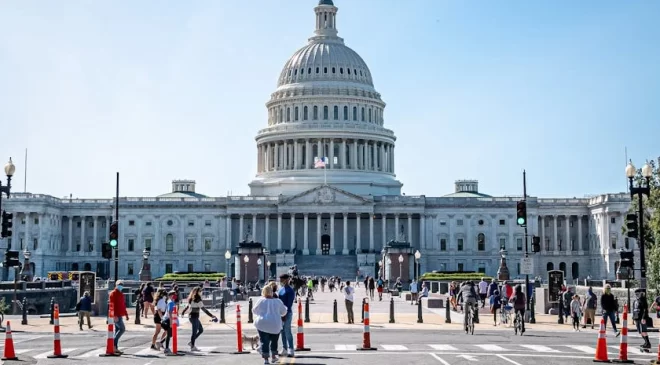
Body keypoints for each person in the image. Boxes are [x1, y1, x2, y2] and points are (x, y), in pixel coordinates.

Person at [253, 285, 288, 365]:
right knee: (274, 341)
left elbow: (254, 310)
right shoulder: (278, 301)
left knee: (264, 341)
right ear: (272, 292)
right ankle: (273, 356)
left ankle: (266, 359)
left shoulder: (261, 300)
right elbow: (283, 312)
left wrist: (261, 313)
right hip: (275, 324)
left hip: (262, 323)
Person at [181, 287, 217, 351]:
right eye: (200, 291)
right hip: (194, 317)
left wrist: (183, 312)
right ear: (198, 292)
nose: (201, 292)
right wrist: (211, 316)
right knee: (194, 332)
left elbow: (187, 307)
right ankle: (192, 346)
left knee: (200, 330)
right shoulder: (198, 299)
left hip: (192, 317)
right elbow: (204, 309)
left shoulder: (191, 298)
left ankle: (191, 342)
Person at [278, 274, 296, 358]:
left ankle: (291, 349)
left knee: (287, 330)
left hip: (287, 313)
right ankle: (284, 348)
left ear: (286, 280)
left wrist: (284, 313)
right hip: (280, 313)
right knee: (282, 331)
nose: (280, 281)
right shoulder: (280, 289)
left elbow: (289, 304)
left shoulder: (290, 290)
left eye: (282, 279)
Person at [109, 280, 129, 354]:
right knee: (122, 329)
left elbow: (123, 305)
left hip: (120, 315)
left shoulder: (121, 294)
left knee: (117, 330)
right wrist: (114, 315)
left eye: (122, 284)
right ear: (116, 285)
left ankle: (115, 347)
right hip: (116, 315)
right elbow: (112, 305)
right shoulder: (113, 293)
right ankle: (113, 345)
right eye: (119, 284)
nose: (121, 285)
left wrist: (126, 314)